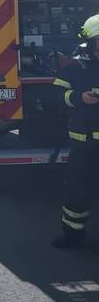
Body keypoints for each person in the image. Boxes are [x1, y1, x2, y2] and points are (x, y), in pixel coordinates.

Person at [51, 14, 99, 248]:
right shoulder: (74, 69)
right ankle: (72, 236)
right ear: (90, 42)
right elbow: (57, 99)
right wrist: (78, 97)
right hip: (84, 146)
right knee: (77, 193)